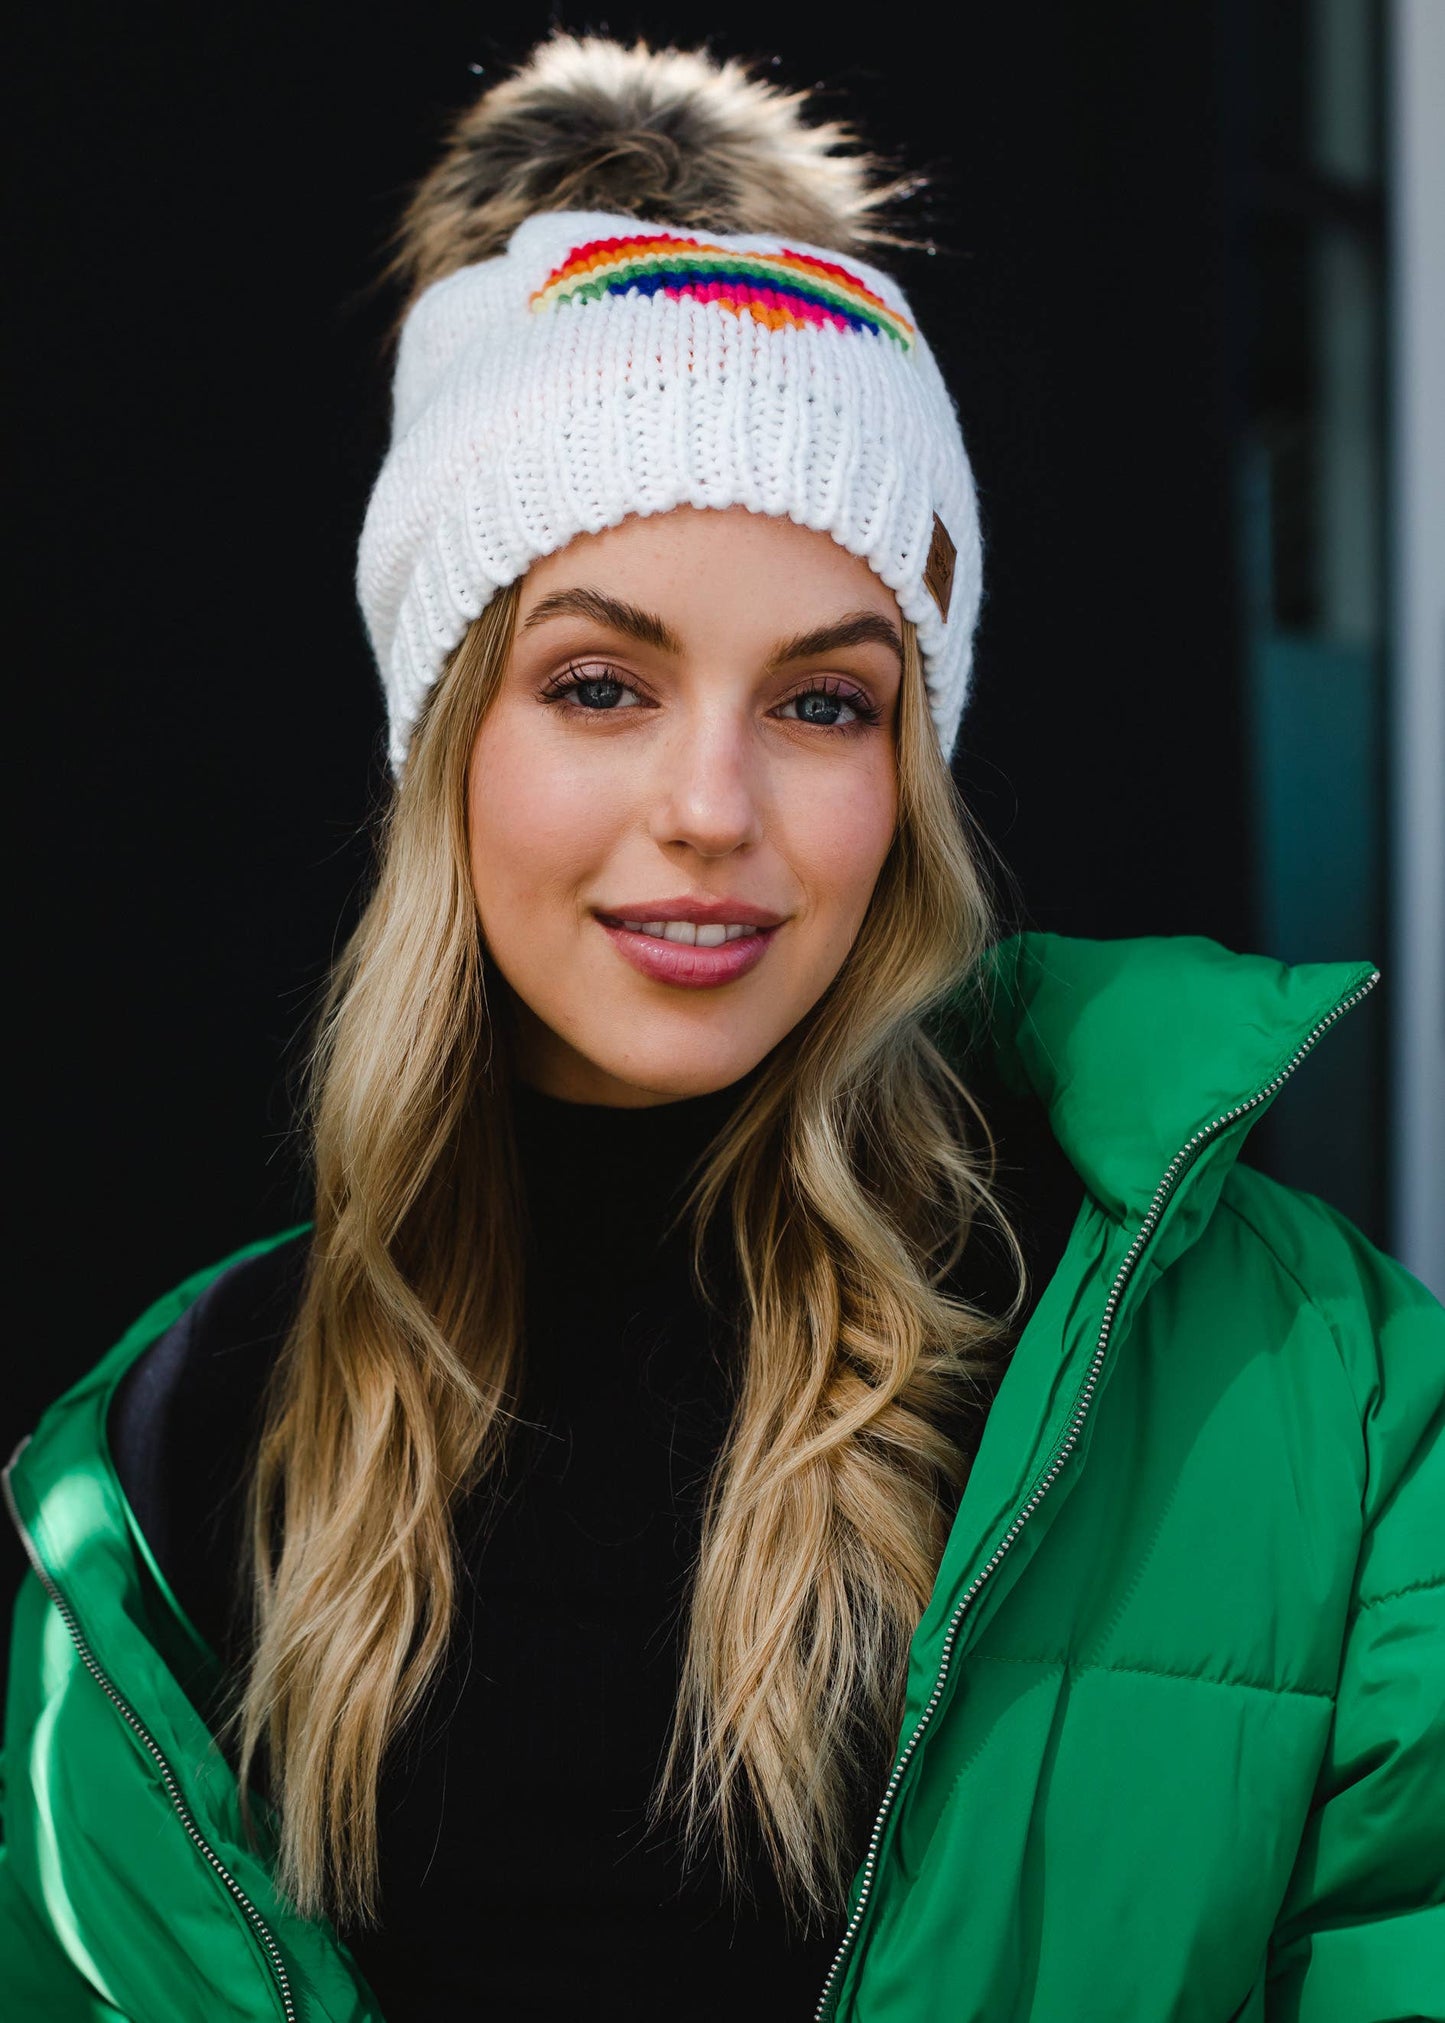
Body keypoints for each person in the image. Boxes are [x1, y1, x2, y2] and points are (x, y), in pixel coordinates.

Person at [2, 33, 1441, 2023]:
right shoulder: (165, 1469)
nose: (711, 805)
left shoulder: (1321, 1400)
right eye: (601, 684)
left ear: (907, 778)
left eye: (826, 702)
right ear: (449, 749)